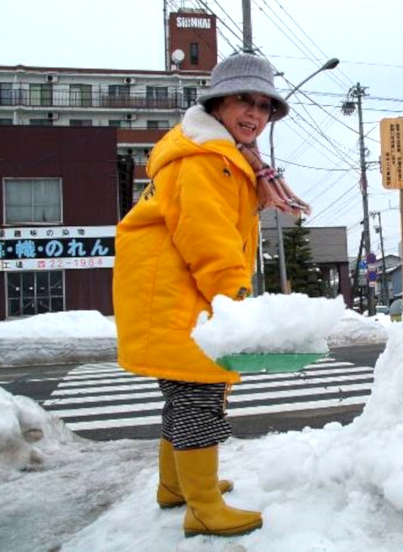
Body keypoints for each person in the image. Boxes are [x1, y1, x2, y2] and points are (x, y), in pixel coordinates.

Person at [112, 51, 309, 538]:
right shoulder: (205, 160)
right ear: (218, 103)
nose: (255, 115)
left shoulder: (224, 156)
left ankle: (174, 486)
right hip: (180, 299)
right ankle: (201, 507)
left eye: (264, 107)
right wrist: (233, 302)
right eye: (244, 101)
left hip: (170, 295)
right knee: (201, 397)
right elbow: (210, 239)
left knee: (181, 397)